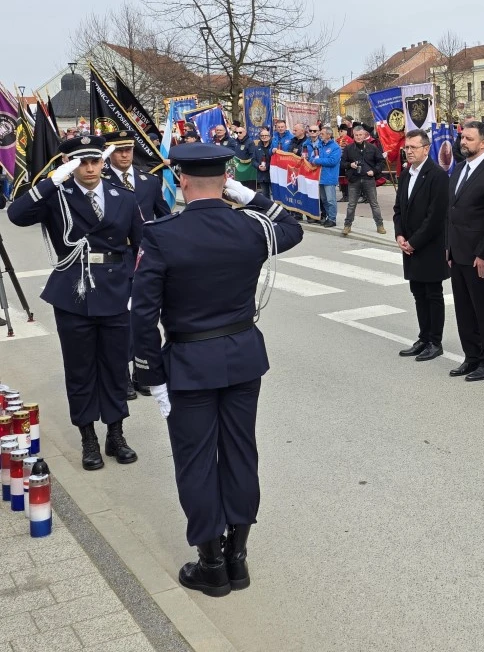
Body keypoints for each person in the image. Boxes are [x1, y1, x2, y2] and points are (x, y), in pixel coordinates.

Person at [131, 143, 302, 597]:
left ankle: (211, 565)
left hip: (189, 365)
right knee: (241, 452)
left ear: (182, 181)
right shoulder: (251, 228)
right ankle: (238, 558)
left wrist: (150, 376)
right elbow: (292, 227)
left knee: (197, 462)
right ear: (226, 181)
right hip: (243, 357)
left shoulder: (162, 234)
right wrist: (251, 197)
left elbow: (142, 315)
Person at [8, 134, 143, 470]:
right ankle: (88, 438)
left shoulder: (123, 197)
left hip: (115, 290)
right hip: (73, 291)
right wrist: (52, 181)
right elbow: (16, 214)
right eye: (82, 162)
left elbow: (142, 246)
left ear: (102, 161)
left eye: (95, 161)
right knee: (80, 369)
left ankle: (115, 433)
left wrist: (133, 285)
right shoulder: (57, 196)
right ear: (69, 164)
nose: (90, 168)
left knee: (115, 366)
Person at [101, 131, 172, 398]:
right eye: (119, 150)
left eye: (128, 149)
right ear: (110, 153)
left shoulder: (149, 181)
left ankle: (142, 371)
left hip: (146, 259)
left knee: (144, 318)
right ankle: (121, 376)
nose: (124, 154)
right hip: (116, 259)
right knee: (120, 320)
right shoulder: (102, 181)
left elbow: (164, 216)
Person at [446, 121, 484, 382]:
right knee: (464, 309)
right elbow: (451, 211)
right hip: (457, 252)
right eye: (462, 138)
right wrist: (448, 246)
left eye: (469, 139)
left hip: (479, 255)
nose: (463, 142)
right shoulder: (459, 168)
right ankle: (471, 356)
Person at [394, 129, 449, 362]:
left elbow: (435, 217)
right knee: (418, 293)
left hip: (430, 246)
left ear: (426, 149)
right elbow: (398, 209)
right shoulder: (406, 174)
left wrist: (414, 242)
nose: (409, 151)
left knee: (432, 294)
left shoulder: (437, 176)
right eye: (406, 147)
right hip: (409, 245)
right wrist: (399, 235)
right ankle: (423, 337)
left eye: (413, 147)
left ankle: (435, 341)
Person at [341, 123, 386, 236]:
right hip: (354, 179)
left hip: (368, 179)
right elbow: (342, 163)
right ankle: (347, 225)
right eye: (356, 135)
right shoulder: (348, 148)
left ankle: (380, 225)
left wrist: (374, 171)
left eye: (360, 135)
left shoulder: (372, 147)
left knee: (374, 204)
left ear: (364, 135)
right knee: (351, 204)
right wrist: (350, 165)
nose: (358, 137)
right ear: (353, 135)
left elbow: (381, 162)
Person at [307, 126, 341, 227]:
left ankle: (332, 219)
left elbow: (332, 161)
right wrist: (314, 160)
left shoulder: (335, 147)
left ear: (329, 135)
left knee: (331, 200)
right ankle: (328, 217)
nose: (320, 135)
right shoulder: (319, 146)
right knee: (324, 199)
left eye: (322, 134)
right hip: (319, 177)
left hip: (329, 177)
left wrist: (317, 161)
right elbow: (311, 157)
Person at [253, 128, 273, 198]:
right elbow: (253, 161)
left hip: (272, 175)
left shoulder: (273, 147)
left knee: (275, 195)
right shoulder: (256, 148)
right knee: (265, 195)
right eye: (262, 136)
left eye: (266, 135)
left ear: (269, 136)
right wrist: (258, 166)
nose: (264, 137)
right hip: (262, 176)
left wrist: (266, 167)